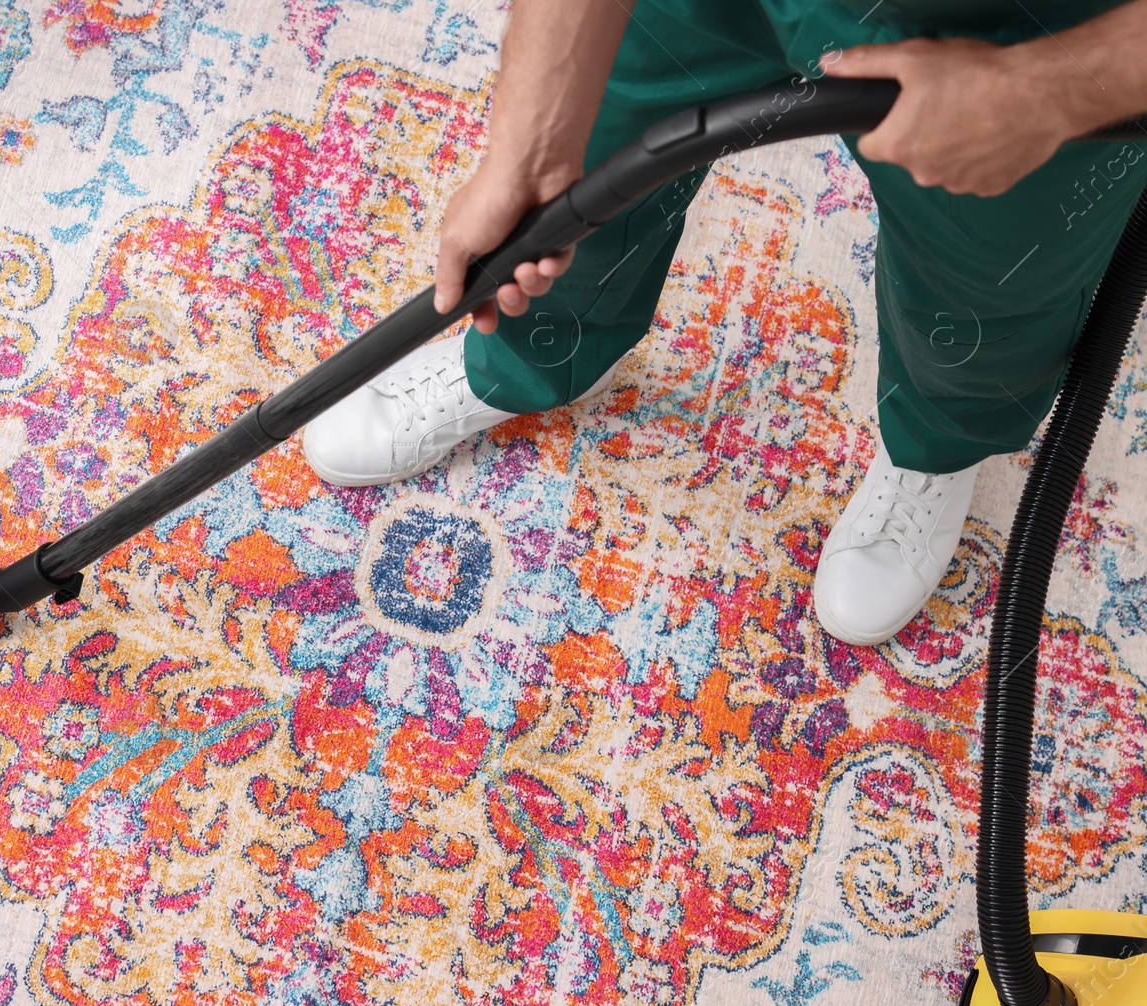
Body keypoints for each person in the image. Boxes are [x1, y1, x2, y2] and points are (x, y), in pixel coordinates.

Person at [302, 0, 1147, 646]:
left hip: (1042, 24)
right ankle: (532, 358)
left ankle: (935, 444)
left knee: (983, 293)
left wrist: (1054, 87)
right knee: (587, 162)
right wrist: (525, 144)